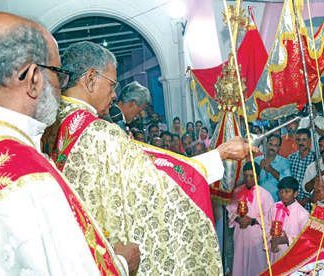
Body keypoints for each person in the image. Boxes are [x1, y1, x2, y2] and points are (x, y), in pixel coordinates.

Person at [42, 41, 256, 275]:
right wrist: (221, 153)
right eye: (112, 84)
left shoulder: (54, 124)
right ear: (91, 78)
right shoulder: (96, 134)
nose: (114, 95)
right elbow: (155, 179)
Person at [0, 12, 134, 275]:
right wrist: (124, 265)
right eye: (58, 74)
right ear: (34, 78)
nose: (61, 86)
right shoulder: (27, 178)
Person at [226, 162, 274, 276]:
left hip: (256, 237)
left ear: (258, 177)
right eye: (246, 176)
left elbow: (269, 218)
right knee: (240, 264)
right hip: (240, 234)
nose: (248, 179)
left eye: (251, 176)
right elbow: (230, 210)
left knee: (256, 266)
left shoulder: (264, 195)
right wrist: (238, 219)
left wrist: (251, 220)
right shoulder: (237, 192)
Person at [270, 176, 309, 263]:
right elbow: (266, 225)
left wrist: (287, 239)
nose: (283, 194)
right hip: (274, 253)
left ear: (295, 194)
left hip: (291, 256)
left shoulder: (303, 214)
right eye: (281, 191)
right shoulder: (274, 207)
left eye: (287, 191)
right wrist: (270, 239)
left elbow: (305, 240)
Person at [255, 134, 291, 201]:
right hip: (258, 202)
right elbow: (250, 182)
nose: (272, 147)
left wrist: (271, 170)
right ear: (266, 145)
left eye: (275, 145)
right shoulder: (257, 160)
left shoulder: (284, 163)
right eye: (270, 144)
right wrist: (259, 169)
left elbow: (287, 183)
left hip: (275, 202)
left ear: (279, 148)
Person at [288, 128, 316, 210]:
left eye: (304, 140)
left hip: (308, 205)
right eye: (298, 140)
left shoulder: (316, 159)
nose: (300, 143)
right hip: (291, 202)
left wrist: (304, 201)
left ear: (310, 141)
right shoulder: (291, 158)